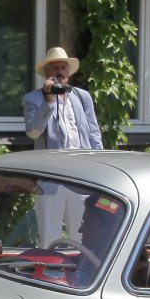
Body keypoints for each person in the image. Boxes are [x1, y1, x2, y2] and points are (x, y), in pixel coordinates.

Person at [23, 47, 103, 240]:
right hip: (50, 177)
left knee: (83, 233)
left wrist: (100, 166)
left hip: (81, 175)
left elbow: (93, 133)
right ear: (46, 73)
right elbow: (33, 132)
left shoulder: (82, 97)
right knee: (49, 234)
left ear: (69, 72)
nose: (60, 72)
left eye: (64, 68)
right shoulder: (33, 99)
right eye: (54, 68)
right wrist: (48, 101)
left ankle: (80, 261)